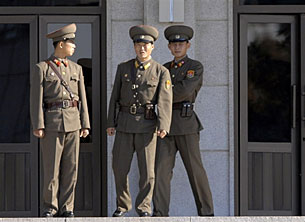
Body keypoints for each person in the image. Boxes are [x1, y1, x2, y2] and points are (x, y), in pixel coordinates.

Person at [106, 25, 172, 217]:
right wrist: (111, 122)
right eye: (138, 44)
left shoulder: (161, 72)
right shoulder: (123, 68)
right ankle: (122, 205)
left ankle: (144, 207)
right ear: (134, 47)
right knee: (119, 167)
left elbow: (165, 102)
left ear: (152, 47)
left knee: (147, 171)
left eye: (146, 45)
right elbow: (114, 97)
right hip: (125, 124)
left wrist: (164, 125)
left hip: (147, 125)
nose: (141, 48)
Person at [152, 25, 214, 217]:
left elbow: (184, 91)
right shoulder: (163, 68)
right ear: (169, 47)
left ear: (188, 45)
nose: (177, 47)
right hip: (165, 123)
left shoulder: (194, 67)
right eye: (173, 44)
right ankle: (160, 214)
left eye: (181, 44)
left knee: (195, 171)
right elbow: (154, 93)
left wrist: (164, 93)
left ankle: (207, 213)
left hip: (186, 123)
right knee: (161, 172)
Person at [30, 23, 90, 217]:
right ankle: (50, 207)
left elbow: (82, 99)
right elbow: (36, 99)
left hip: (73, 122)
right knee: (52, 169)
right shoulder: (42, 68)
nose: (74, 46)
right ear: (61, 44)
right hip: (52, 122)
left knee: (71, 169)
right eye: (71, 42)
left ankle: (67, 208)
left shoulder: (77, 68)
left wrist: (85, 123)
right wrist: (38, 124)